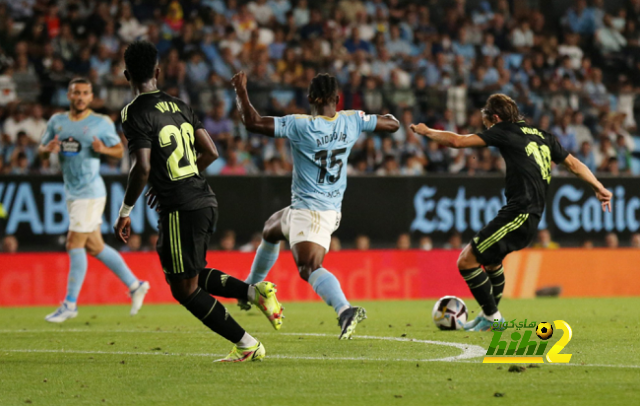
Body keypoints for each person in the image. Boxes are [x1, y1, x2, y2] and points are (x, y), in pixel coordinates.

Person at [114, 41, 282, 363]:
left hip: (180, 206)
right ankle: (253, 292)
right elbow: (211, 152)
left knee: (183, 289)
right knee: (191, 273)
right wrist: (180, 177)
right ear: (158, 72)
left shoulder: (132, 112)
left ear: (126, 75)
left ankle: (247, 344)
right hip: (204, 198)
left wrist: (126, 211)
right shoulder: (180, 105)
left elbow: (142, 166)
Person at [410, 94, 612, 332]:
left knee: (466, 262)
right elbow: (574, 165)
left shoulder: (504, 130)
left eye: (487, 121)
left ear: (495, 117)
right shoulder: (543, 135)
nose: (486, 126)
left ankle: (493, 317)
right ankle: (489, 315)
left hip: (520, 212)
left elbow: (457, 142)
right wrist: (598, 186)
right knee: (493, 262)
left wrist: (426, 131)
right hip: (530, 214)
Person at [231, 71, 399, 339]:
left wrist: (241, 91)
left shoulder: (300, 125)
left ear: (309, 97)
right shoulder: (351, 120)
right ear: (337, 98)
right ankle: (250, 289)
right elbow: (392, 124)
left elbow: (252, 122)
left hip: (312, 212)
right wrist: (375, 119)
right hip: (322, 209)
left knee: (308, 267)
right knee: (271, 228)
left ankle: (344, 310)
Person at [39, 78, 150, 323]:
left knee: (73, 243)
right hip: (72, 192)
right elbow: (41, 150)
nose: (80, 97)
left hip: (89, 192)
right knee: (95, 247)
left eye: (85, 93)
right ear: (68, 95)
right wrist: (47, 150)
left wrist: (103, 149)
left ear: (91, 97)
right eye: (76, 92)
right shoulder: (57, 121)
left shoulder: (100, 123)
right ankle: (135, 284)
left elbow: (119, 151)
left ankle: (70, 304)